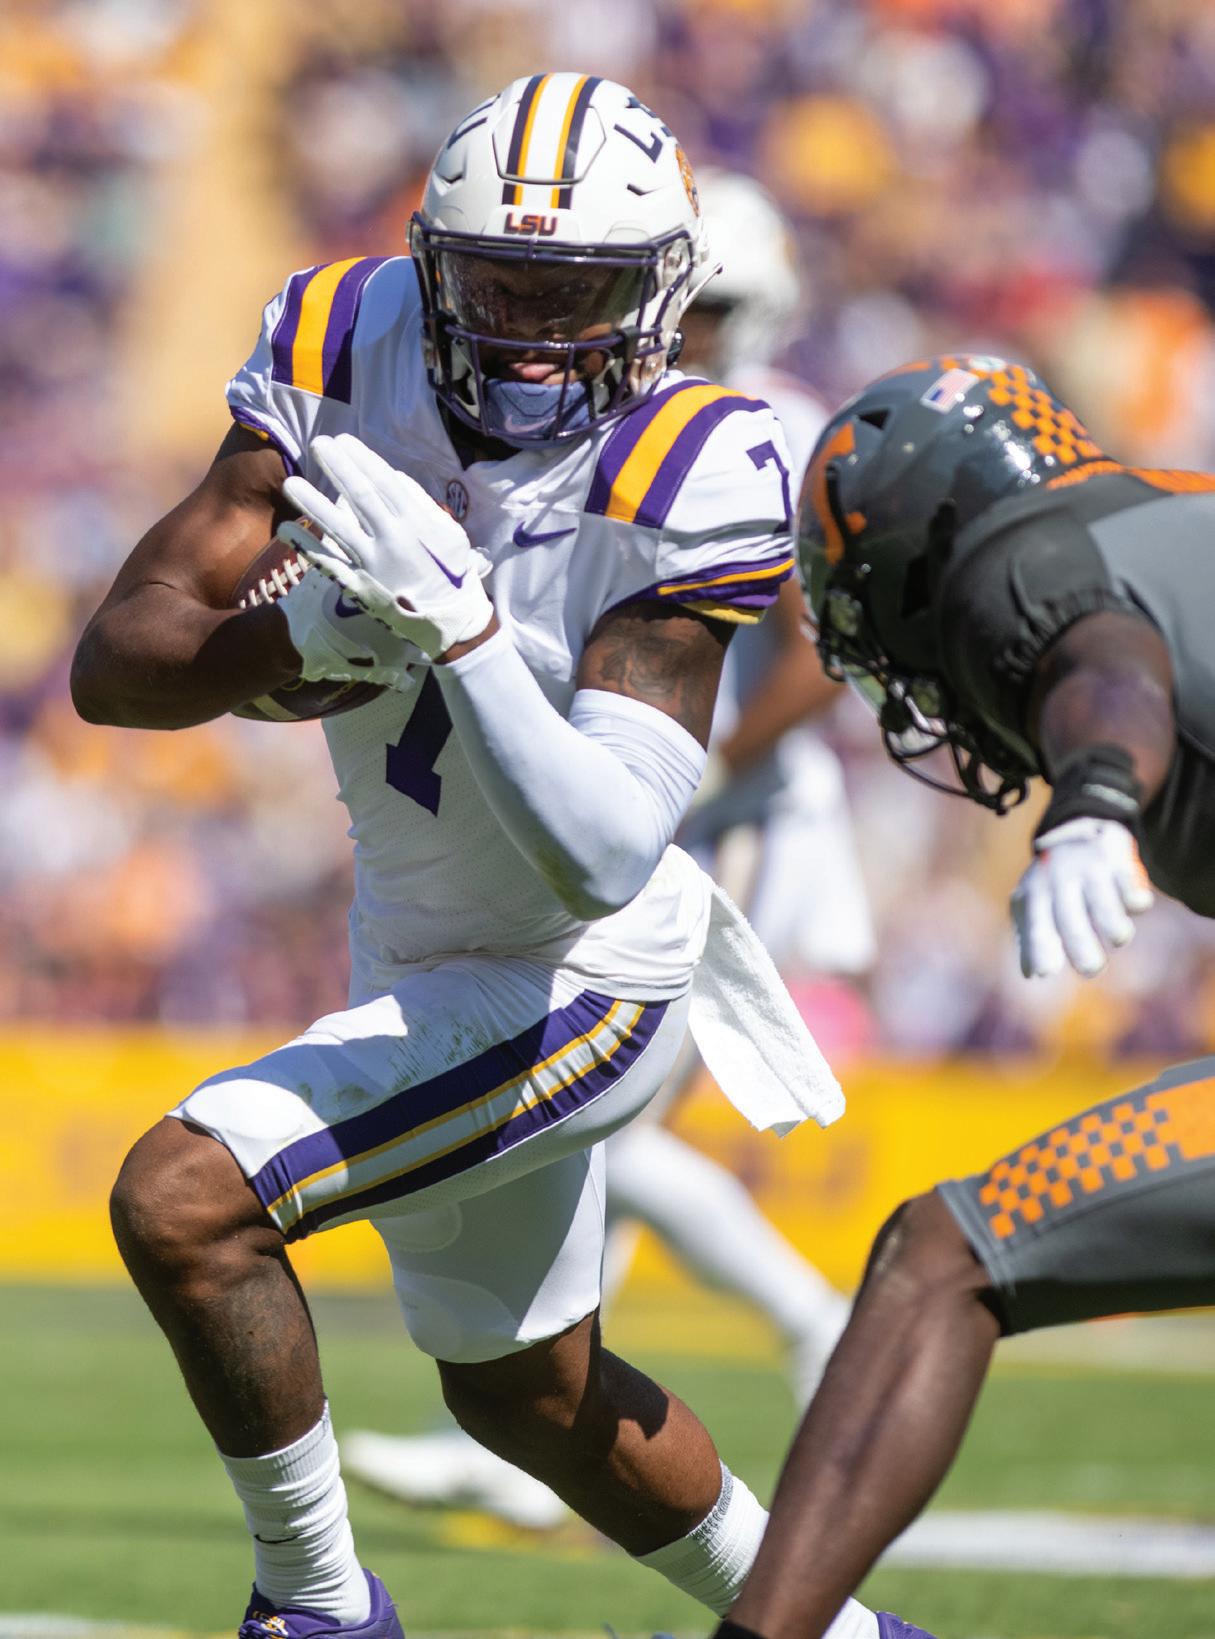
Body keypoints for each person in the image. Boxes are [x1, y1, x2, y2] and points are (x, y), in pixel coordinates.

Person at [70, 74, 862, 1639]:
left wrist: (468, 635)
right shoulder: (339, 341)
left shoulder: (693, 457)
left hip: (590, 969)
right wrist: (285, 637)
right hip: (420, 933)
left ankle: (317, 1607)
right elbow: (118, 663)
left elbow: (603, 853)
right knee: (525, 1393)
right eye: (498, 284)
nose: (531, 335)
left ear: (661, 296)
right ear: (429, 264)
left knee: (185, 1196)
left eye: (574, 295)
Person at [340, 169, 869, 1533]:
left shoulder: (762, 430)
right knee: (576, 1135)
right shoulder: (557, 421)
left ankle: (813, 1323)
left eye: (721, 310)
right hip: (609, 823)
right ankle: (542, 1438)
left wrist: (695, 774)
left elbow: (820, 655)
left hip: (722, 822)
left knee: (587, 1112)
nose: (693, 332)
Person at [708, 354, 1215, 1639]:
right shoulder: (1168, 504)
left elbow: (1107, 659)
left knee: (943, 1256)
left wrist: (1096, 797)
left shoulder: (1019, 562)